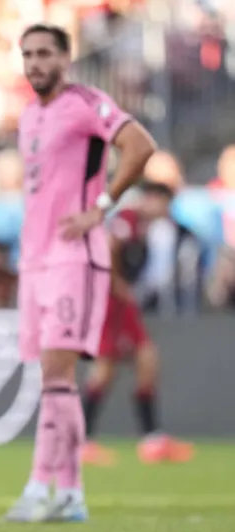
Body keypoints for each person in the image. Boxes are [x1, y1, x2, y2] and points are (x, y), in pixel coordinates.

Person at [6, 24, 157, 524]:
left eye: (44, 53)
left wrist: (104, 206)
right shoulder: (29, 115)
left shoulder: (86, 102)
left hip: (75, 257)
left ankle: (38, 487)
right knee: (55, 379)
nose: (34, 63)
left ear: (65, 59)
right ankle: (70, 493)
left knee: (56, 374)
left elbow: (140, 145)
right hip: (35, 262)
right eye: (27, 54)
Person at [82, 183, 194, 466]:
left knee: (147, 358)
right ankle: (80, 440)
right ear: (152, 200)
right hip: (110, 301)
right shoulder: (128, 219)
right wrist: (119, 286)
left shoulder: (145, 226)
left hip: (121, 302)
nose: (166, 211)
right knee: (105, 368)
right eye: (164, 203)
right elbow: (107, 250)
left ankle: (152, 439)